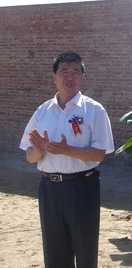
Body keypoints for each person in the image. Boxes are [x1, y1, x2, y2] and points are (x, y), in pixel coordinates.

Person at [19, 52, 114, 268]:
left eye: (75, 72)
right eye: (64, 72)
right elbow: (29, 156)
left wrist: (67, 150)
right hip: (49, 188)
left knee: (84, 251)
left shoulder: (94, 110)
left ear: (83, 76)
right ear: (54, 76)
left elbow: (100, 153)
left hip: (82, 187)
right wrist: (39, 150)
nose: (69, 77)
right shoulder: (43, 111)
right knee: (54, 251)